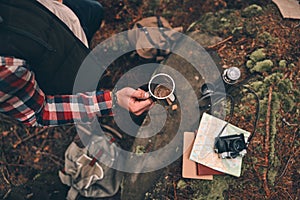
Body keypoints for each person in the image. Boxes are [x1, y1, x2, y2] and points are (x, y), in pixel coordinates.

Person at [0, 56, 153, 126]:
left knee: (93, 11)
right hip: (64, 74)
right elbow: (42, 110)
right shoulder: (5, 71)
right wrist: (114, 100)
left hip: (62, 26)